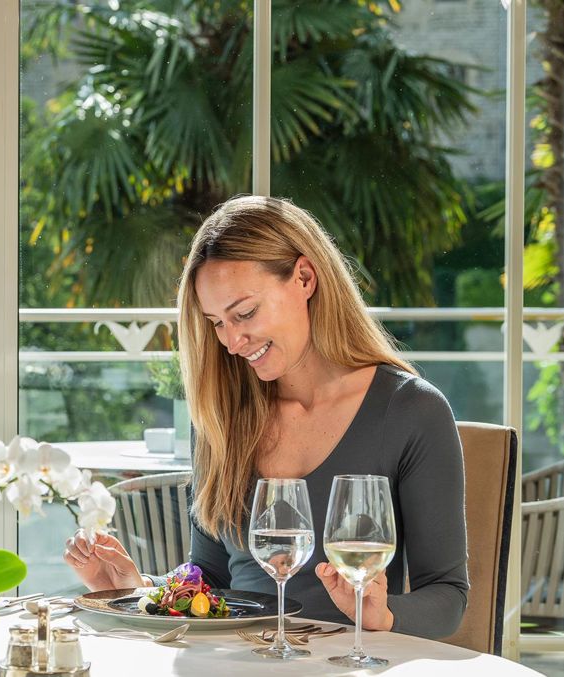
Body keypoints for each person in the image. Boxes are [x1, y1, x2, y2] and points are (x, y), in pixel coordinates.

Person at [63, 195, 468, 639]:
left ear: (305, 278)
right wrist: (138, 591)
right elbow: (213, 580)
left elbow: (447, 597)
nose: (233, 341)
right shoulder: (221, 416)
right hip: (237, 663)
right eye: (216, 322)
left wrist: (380, 614)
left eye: (246, 313)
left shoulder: (412, 412)